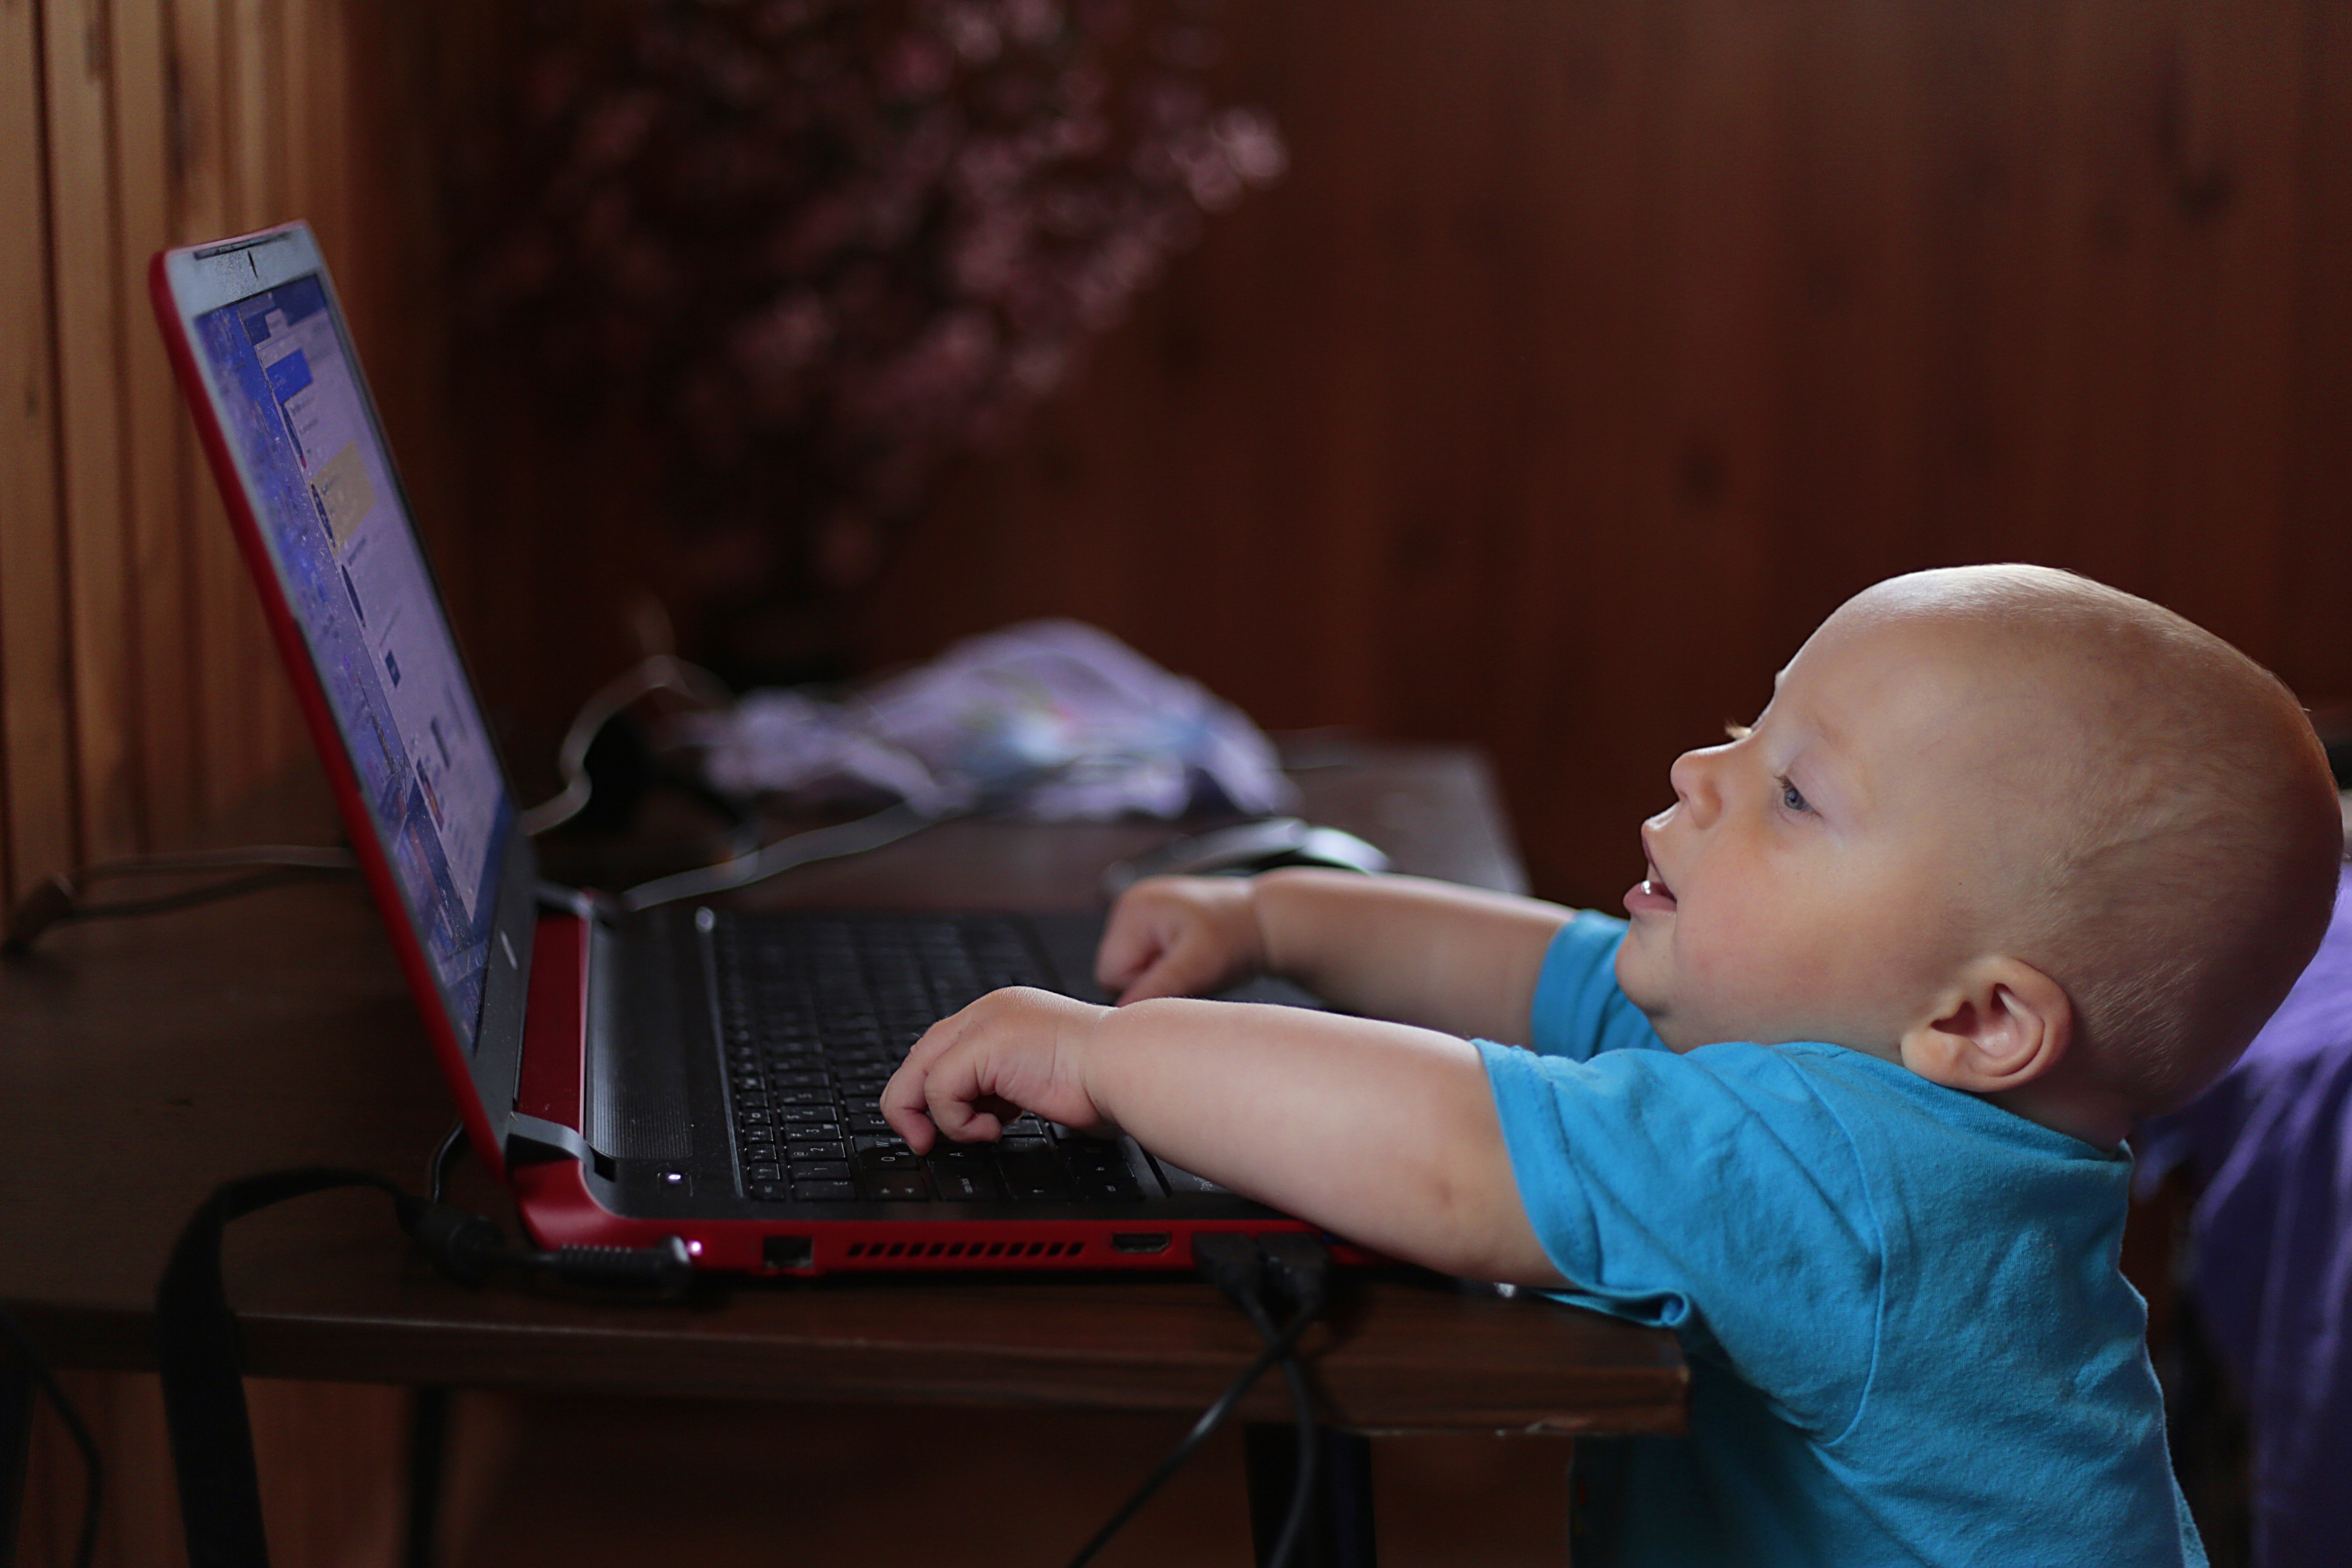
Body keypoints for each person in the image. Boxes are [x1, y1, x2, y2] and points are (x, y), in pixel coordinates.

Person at [881, 564, 2344, 1565]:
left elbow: (1450, 1153)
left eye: (1792, 791)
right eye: (1747, 724)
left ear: (1978, 1022)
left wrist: (1110, 1055)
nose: (1704, 775)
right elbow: (1543, 970)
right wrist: (1272, 916)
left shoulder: (1855, 1175)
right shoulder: (1853, 1063)